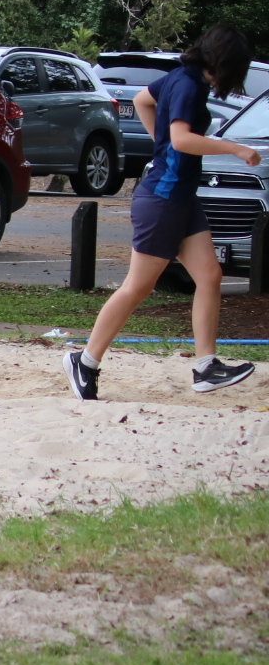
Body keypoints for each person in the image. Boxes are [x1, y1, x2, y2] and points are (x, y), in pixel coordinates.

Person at [67, 25, 262, 399]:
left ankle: (206, 367)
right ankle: (85, 361)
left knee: (209, 274)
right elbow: (182, 139)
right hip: (164, 198)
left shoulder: (180, 77)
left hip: (180, 196)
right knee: (137, 287)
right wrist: (234, 149)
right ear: (227, 64)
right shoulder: (189, 85)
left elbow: (142, 100)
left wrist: (161, 147)